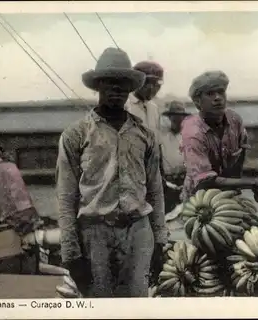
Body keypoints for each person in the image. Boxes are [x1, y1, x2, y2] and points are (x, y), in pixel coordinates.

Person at [56, 47, 168, 298]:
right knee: (99, 306)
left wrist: (160, 240)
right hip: (95, 235)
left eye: (123, 83)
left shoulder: (144, 135)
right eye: (110, 82)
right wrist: (71, 254)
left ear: (130, 87)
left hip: (138, 232)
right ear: (98, 85)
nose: (117, 89)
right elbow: (66, 197)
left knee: (136, 307)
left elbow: (155, 190)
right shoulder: (76, 135)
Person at [180, 70, 258, 205]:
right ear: (197, 102)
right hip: (199, 200)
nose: (217, 98)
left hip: (227, 193)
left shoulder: (234, 120)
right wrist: (251, 183)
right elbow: (205, 181)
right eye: (210, 94)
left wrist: (235, 189)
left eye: (221, 92)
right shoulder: (193, 133)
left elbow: (240, 156)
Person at [159, 101, 191, 213]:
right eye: (175, 116)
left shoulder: (189, 137)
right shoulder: (162, 136)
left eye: (181, 116)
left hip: (185, 182)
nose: (178, 119)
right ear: (170, 117)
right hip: (167, 183)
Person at [125, 61, 165, 141]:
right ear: (136, 81)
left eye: (156, 83)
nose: (151, 87)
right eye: (147, 82)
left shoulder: (154, 108)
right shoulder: (125, 105)